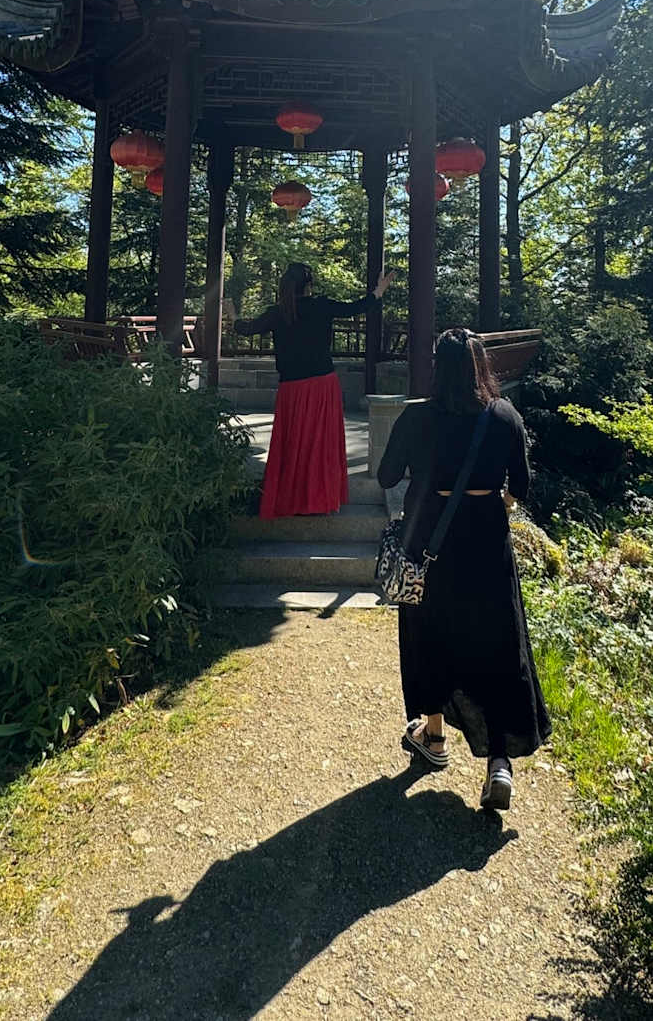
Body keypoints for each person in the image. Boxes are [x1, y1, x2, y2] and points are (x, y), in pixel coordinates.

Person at [377, 327, 551, 812]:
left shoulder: (416, 416)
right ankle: (499, 763)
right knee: (497, 643)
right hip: (486, 544)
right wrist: (496, 501)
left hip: (428, 543)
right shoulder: (504, 415)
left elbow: (387, 476)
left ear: (437, 368)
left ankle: (433, 737)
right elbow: (521, 486)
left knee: (428, 634)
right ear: (481, 366)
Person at [225, 263, 390, 518]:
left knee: (293, 444)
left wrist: (233, 315)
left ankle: (292, 498)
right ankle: (320, 499)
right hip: (323, 385)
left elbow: (247, 329)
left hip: (292, 388)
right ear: (309, 286)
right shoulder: (321, 306)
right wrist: (378, 292)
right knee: (320, 443)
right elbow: (355, 308)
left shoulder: (278, 313)